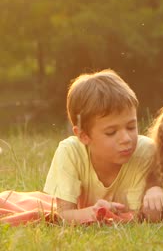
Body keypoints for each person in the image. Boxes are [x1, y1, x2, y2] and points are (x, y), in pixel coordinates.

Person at [43, 69, 155, 222]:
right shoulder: (70, 152)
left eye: (131, 127)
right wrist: (96, 212)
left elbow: (137, 217)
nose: (126, 138)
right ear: (83, 136)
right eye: (111, 132)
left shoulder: (145, 151)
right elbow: (63, 215)